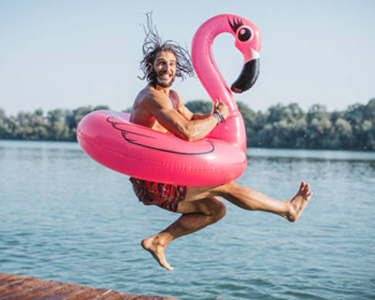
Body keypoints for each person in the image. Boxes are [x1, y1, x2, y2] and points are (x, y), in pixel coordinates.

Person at [129, 14, 312, 271]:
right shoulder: (151, 97)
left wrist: (219, 117)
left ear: (176, 69)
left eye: (171, 63)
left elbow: (191, 118)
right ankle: (287, 209)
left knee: (215, 210)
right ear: (152, 67)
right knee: (224, 185)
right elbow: (188, 132)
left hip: (164, 175)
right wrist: (216, 117)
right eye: (161, 63)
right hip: (150, 179)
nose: (167, 68)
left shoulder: (172, 97)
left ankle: (159, 241)